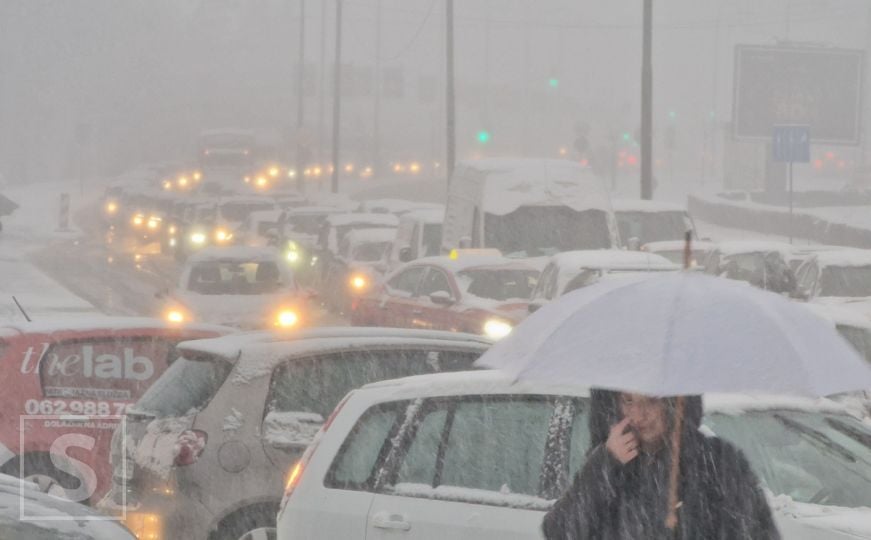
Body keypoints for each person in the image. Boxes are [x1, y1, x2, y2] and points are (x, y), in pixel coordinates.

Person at [542, 391, 780, 539]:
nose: (638, 414)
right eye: (628, 400)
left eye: (651, 401)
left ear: (675, 403)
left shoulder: (719, 463)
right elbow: (560, 531)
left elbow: (758, 532)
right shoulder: (609, 462)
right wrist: (605, 464)